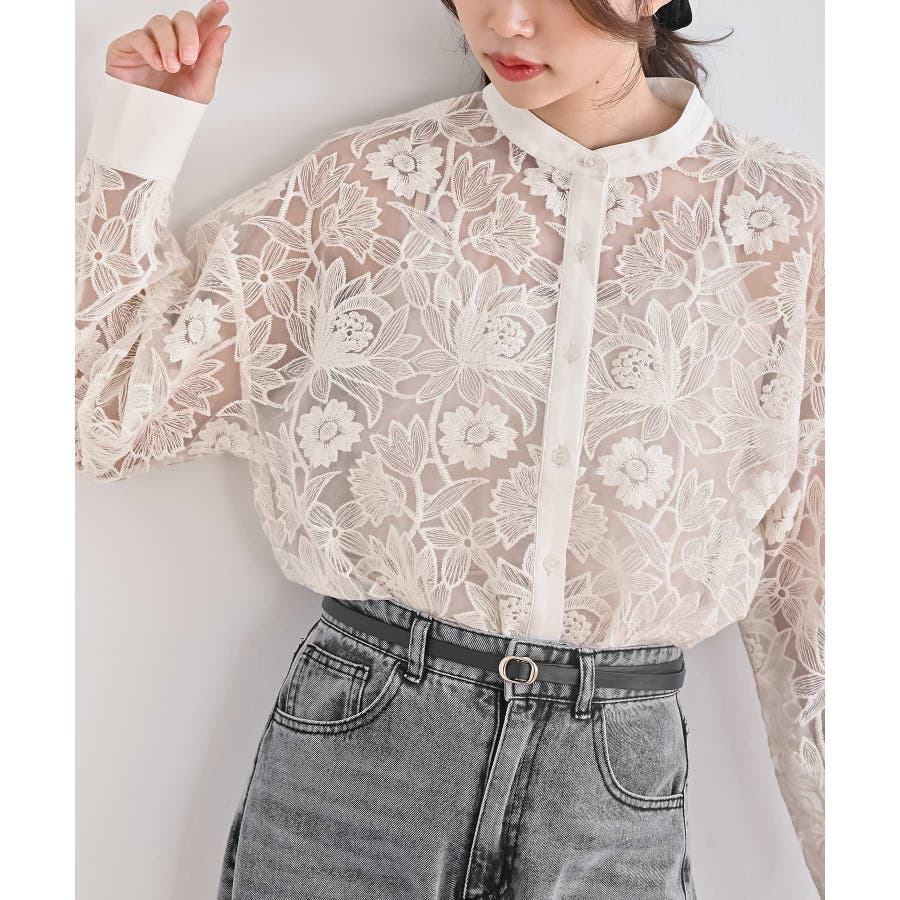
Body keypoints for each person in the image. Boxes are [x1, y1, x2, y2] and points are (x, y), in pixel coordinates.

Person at [74, 1, 825, 897]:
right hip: (362, 754)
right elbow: (108, 414)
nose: (506, 21)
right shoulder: (366, 187)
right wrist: (143, 129)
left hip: (613, 788)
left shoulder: (785, 224)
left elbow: (819, 584)